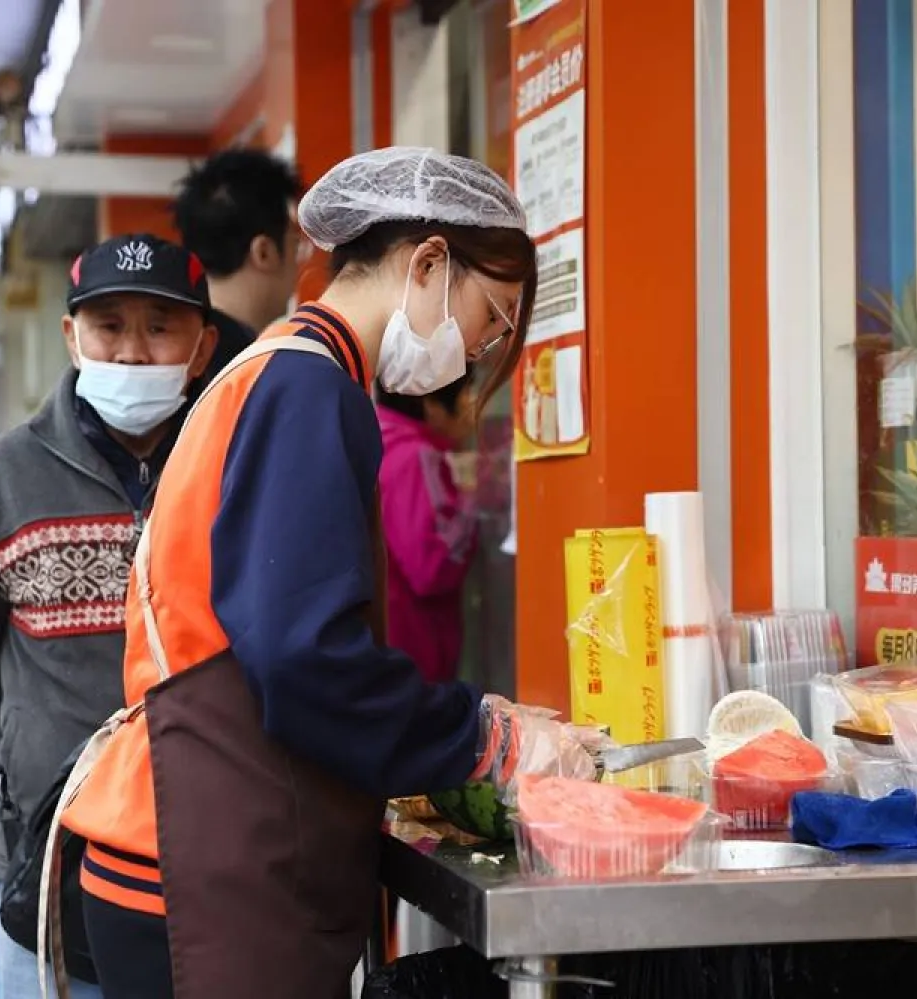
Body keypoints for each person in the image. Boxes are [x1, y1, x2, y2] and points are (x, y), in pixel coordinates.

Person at [57, 147, 596, 999]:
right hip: (203, 868)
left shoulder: (279, 366)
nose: (478, 351)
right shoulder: (308, 386)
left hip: (191, 844)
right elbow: (305, 656)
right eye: (490, 319)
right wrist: (485, 737)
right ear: (428, 263)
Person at [0, 233, 218, 999]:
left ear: (202, 348)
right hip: (46, 854)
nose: (132, 352)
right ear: (72, 337)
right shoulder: (5, 479)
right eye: (109, 325)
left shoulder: (230, 467)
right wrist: (40, 757)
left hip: (196, 855)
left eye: (160, 325)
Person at [375, 371, 481, 684]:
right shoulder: (414, 458)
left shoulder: (381, 441)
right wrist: (473, 500)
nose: (473, 404)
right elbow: (432, 570)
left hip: (389, 652)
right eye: (466, 393)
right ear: (431, 404)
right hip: (414, 657)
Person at [171, 148, 305, 380]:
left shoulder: (175, 343)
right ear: (264, 252)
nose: (300, 263)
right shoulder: (257, 368)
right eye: (296, 244)